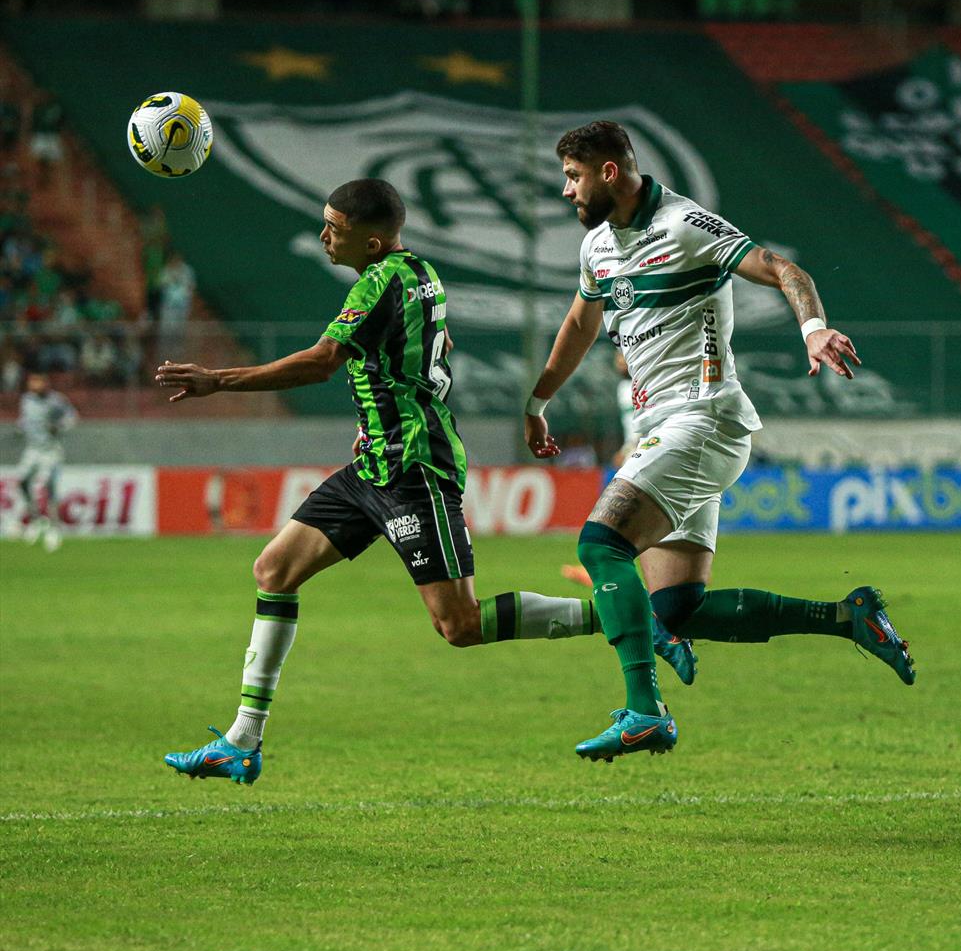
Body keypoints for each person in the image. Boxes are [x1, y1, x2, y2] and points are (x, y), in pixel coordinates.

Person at [157, 178, 631, 787]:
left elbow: (321, 362)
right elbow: (433, 342)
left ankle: (619, 613)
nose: (325, 235)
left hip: (414, 469)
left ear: (373, 241)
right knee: (274, 571)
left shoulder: (380, 281)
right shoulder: (422, 273)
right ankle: (241, 741)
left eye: (335, 227)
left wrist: (217, 381)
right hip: (372, 467)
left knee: (458, 626)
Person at [521, 121, 915, 763]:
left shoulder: (683, 225)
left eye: (572, 176)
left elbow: (782, 266)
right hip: (666, 429)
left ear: (609, 173)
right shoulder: (597, 246)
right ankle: (848, 616)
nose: (565, 190)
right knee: (676, 608)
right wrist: (539, 402)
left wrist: (813, 328)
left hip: (701, 419)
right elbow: (578, 322)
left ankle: (645, 713)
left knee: (601, 544)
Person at [16, 371, 78, 553]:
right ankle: (35, 519)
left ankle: (54, 527)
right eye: (32, 383)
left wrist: (59, 426)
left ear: (45, 383)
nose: (34, 386)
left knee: (48, 485)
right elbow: (25, 420)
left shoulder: (55, 400)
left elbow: (72, 416)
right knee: (22, 481)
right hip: (32, 449)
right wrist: (21, 427)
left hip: (50, 450)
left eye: (37, 382)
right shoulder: (26, 400)